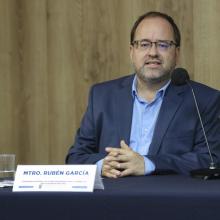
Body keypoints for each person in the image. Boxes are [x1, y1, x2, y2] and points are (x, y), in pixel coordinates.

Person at [66, 11, 220, 178]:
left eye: (163, 45)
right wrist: (102, 165)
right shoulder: (102, 96)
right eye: (144, 44)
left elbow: (210, 160)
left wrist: (148, 164)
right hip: (110, 198)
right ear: (132, 51)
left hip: (168, 199)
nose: (153, 52)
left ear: (176, 53)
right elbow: (75, 157)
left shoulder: (203, 100)